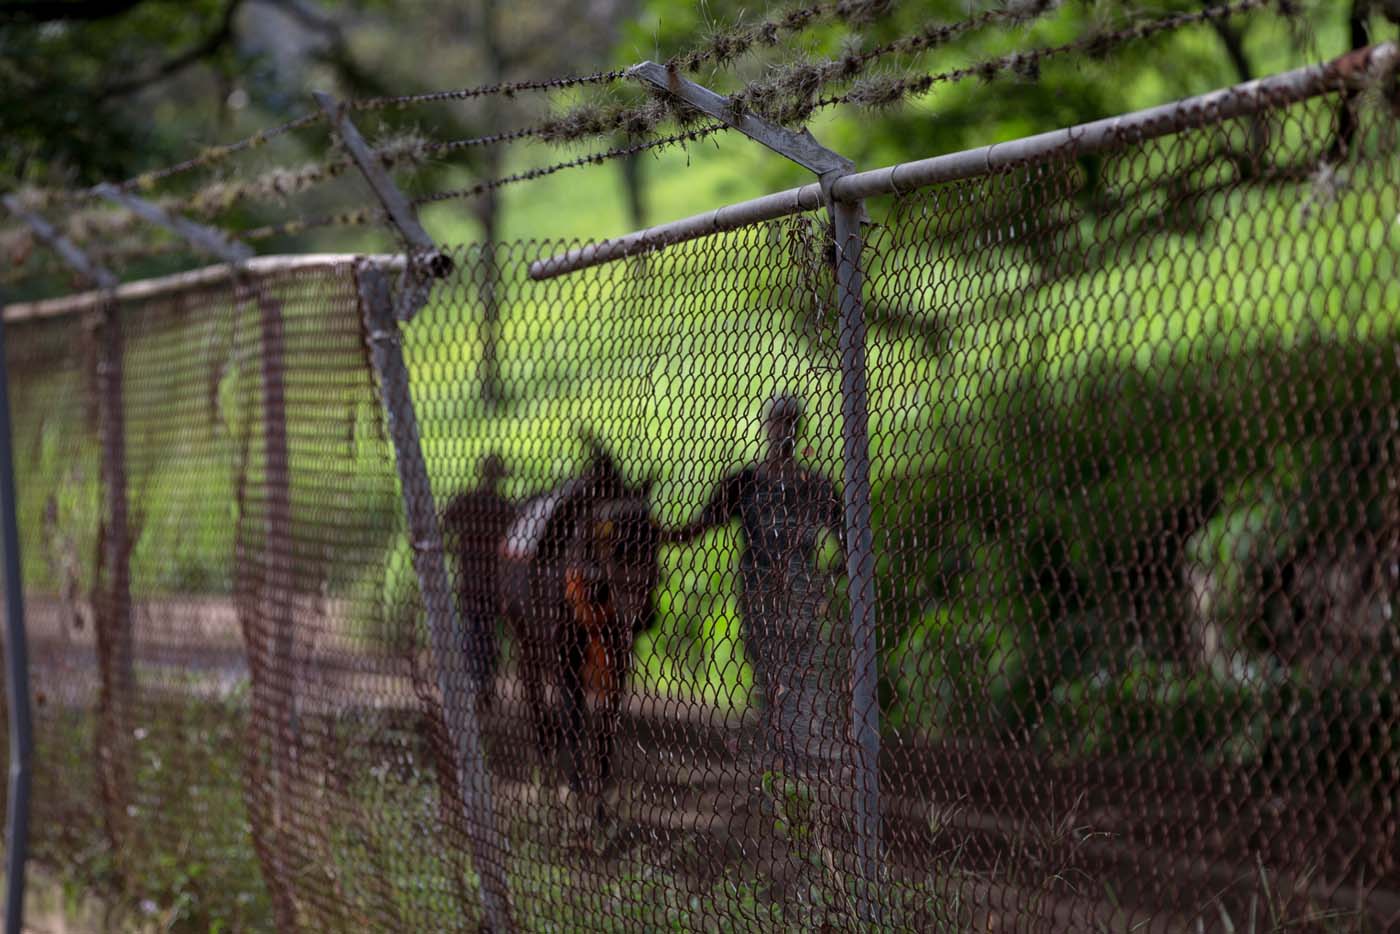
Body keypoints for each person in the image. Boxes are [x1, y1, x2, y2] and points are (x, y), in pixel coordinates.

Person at [664, 394, 847, 775]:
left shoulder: (814, 486)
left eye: (789, 423)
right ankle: (780, 748)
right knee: (767, 667)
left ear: (797, 430)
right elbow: (702, 525)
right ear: (767, 427)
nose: (782, 431)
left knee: (799, 666)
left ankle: (797, 750)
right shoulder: (746, 483)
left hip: (797, 590)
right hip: (760, 587)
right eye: (777, 422)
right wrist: (659, 535)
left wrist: (826, 580)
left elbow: (848, 543)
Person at [441, 452, 515, 709]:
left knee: (474, 632)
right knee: (486, 634)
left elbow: (444, 525)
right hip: (493, 583)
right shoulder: (504, 507)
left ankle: (475, 682)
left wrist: (454, 546)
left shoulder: (467, 501)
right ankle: (482, 683)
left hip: (470, 580)